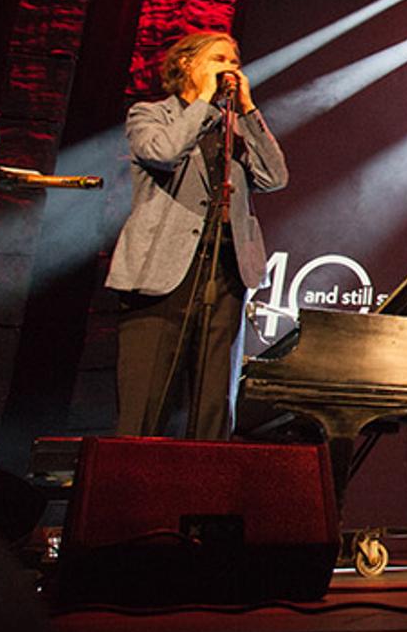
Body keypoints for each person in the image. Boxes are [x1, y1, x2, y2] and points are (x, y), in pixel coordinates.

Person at [105, 30, 289, 441]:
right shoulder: (150, 115)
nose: (230, 69)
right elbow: (163, 153)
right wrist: (203, 101)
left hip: (226, 272)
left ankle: (203, 491)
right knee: (144, 403)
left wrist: (247, 110)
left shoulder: (235, 129)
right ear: (187, 64)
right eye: (219, 59)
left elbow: (275, 177)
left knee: (214, 404)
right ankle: (124, 496)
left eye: (235, 63)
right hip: (160, 275)